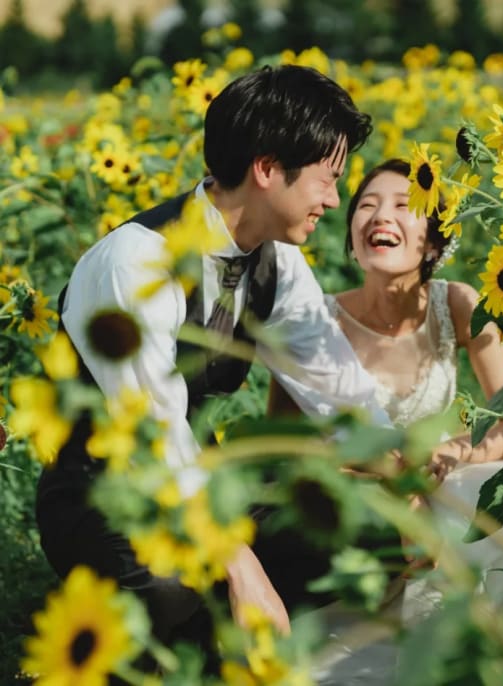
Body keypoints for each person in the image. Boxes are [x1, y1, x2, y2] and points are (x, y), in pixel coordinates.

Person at [34, 65, 396, 672]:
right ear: (266, 168)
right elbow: (155, 440)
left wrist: (408, 480)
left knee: (370, 532)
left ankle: (226, 633)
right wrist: (244, 569)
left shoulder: (277, 263)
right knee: (171, 588)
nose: (335, 200)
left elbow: (342, 396)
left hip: (207, 490)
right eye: (327, 179)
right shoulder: (134, 262)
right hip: (105, 499)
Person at [270, 158, 503, 683]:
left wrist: (451, 453)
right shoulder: (314, 322)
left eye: (403, 206)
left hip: (442, 489)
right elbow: (280, 451)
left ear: (433, 239)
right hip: (354, 504)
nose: (379, 216)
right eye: (366, 205)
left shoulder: (457, 303)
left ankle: (496, 647)